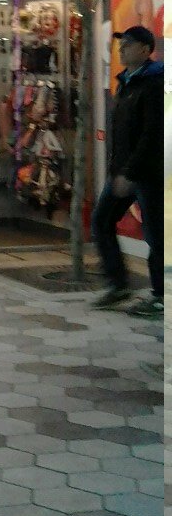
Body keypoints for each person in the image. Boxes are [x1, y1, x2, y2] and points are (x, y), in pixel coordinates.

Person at [90, 26, 163, 318]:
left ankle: (161, 296)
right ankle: (118, 284)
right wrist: (117, 170)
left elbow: (151, 134)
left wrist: (130, 172)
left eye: (128, 45)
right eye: (121, 45)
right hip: (124, 171)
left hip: (149, 173)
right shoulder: (126, 82)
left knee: (156, 235)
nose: (121, 49)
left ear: (145, 50)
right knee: (102, 220)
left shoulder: (154, 83)